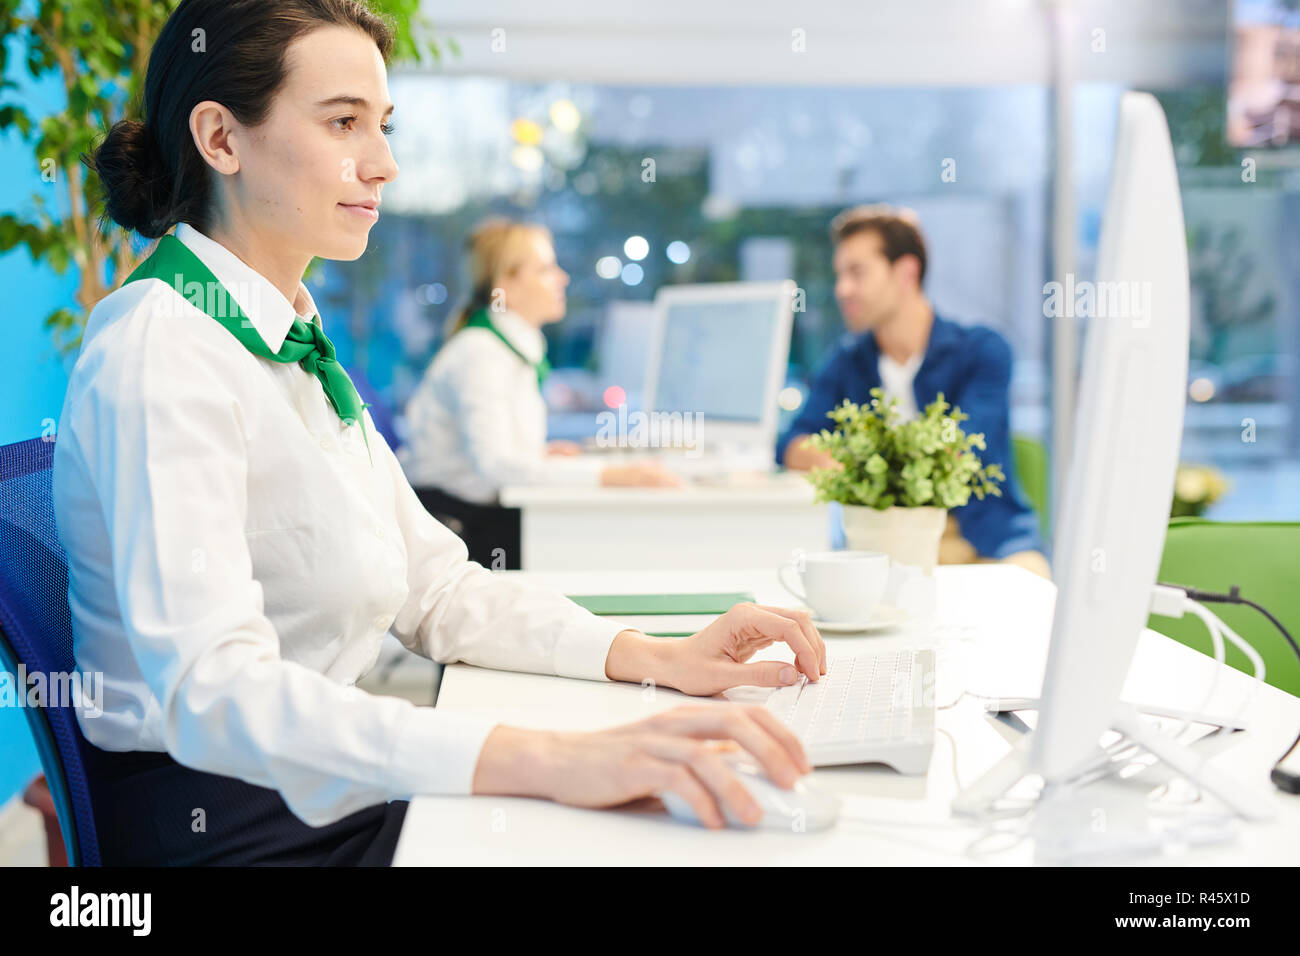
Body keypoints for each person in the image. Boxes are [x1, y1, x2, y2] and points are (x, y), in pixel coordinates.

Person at [55, 0, 826, 866]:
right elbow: (213, 693)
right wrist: (547, 758)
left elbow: (439, 591)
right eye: (343, 121)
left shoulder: (287, 340)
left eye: (383, 126)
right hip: (240, 829)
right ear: (222, 139)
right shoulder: (165, 353)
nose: (382, 164)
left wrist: (653, 656)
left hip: (325, 783)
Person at [778, 205, 1051, 580]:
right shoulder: (847, 360)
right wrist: (858, 463)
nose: (842, 289)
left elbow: (962, 448)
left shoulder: (982, 350)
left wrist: (860, 465)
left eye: (856, 273)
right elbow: (793, 443)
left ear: (906, 272)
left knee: (1032, 595)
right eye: (839, 274)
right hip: (885, 545)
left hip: (984, 543)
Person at [398, 217, 681, 502]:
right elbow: (496, 465)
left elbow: (495, 455)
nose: (563, 278)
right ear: (505, 286)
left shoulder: (507, 349)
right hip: (462, 520)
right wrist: (611, 476)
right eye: (546, 269)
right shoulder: (481, 354)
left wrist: (537, 456)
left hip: (479, 506)